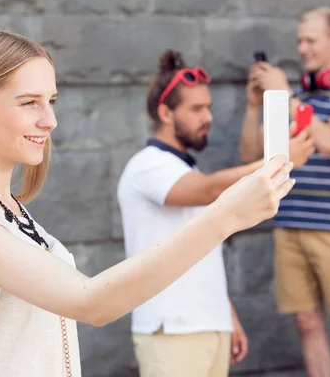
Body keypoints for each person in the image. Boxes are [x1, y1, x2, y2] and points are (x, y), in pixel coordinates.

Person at [0, 29, 295, 377]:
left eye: (51, 100)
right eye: (29, 102)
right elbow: (91, 302)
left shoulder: (5, 209)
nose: (50, 120)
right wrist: (225, 217)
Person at [116, 50, 314, 377]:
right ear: (165, 113)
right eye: (196, 109)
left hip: (209, 325)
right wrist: (279, 159)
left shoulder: (181, 166)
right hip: (172, 329)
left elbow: (203, 253)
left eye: (208, 107)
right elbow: (207, 189)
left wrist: (227, 315)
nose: (207, 117)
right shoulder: (147, 165)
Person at [239, 7, 330, 377]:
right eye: (299, 40)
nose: (303, 48)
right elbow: (251, 155)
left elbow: (329, 140)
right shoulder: (295, 95)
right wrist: (254, 107)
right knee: (307, 323)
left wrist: (285, 94)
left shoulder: (296, 97)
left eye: (311, 40)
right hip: (291, 224)